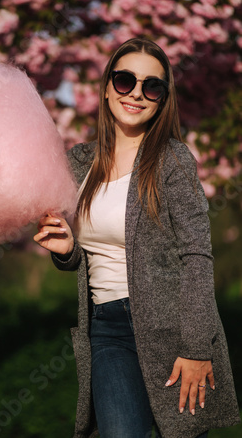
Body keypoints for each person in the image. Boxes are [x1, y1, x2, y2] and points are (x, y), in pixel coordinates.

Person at [33, 38, 240, 438]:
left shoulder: (172, 160)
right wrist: (66, 251)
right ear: (109, 86)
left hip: (174, 329)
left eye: (152, 86)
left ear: (162, 99)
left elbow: (197, 256)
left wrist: (196, 348)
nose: (137, 95)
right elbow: (89, 254)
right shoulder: (78, 162)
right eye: (126, 80)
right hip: (107, 329)